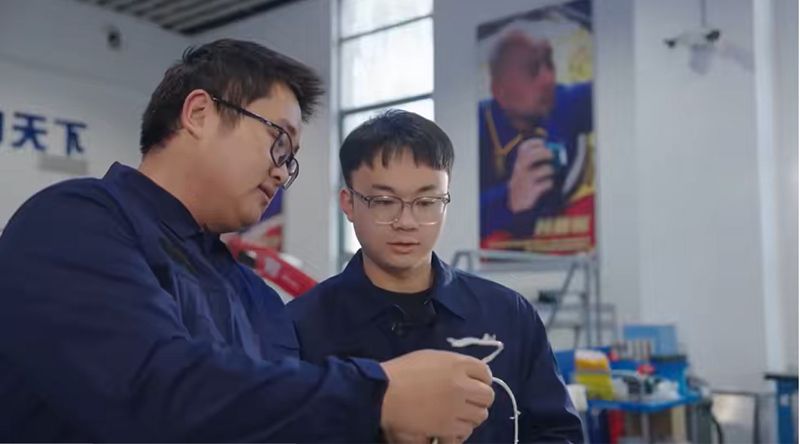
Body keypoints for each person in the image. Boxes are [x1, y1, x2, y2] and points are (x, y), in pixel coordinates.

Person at [0, 39, 495, 442]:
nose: (282, 172)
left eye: (291, 159)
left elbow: (272, 422)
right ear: (199, 113)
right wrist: (377, 396)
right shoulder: (76, 222)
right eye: (278, 141)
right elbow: (151, 392)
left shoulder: (254, 295)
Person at [288, 110, 584, 443]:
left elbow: (557, 433)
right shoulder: (299, 328)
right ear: (349, 203)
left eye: (427, 201)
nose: (407, 222)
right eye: (384, 201)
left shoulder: (509, 315)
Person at [479, 30, 593, 250]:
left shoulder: (563, 104)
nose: (548, 79)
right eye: (532, 70)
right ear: (499, 89)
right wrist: (508, 199)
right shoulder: (475, 131)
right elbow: (451, 210)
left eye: (549, 64)